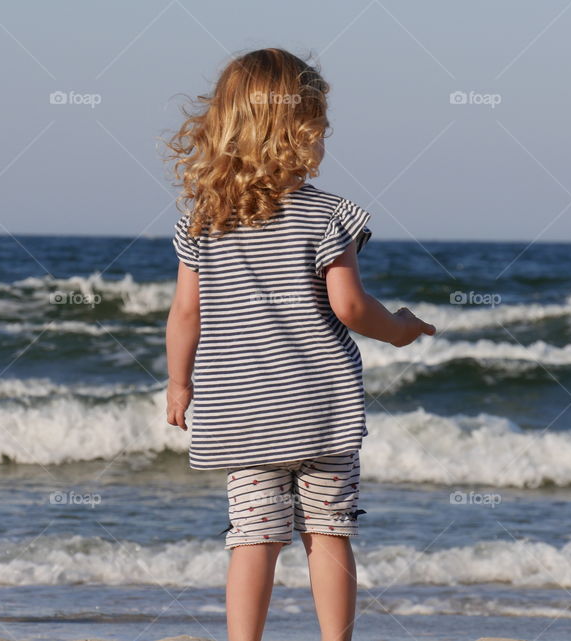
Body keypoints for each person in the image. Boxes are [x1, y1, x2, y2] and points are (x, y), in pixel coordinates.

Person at [164, 48, 436, 641]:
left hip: (240, 412)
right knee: (329, 531)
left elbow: (187, 311)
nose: (323, 141)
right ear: (297, 130)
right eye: (319, 127)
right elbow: (350, 307)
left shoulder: (202, 220)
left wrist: (179, 383)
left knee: (252, 538)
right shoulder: (326, 214)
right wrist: (401, 328)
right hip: (320, 410)